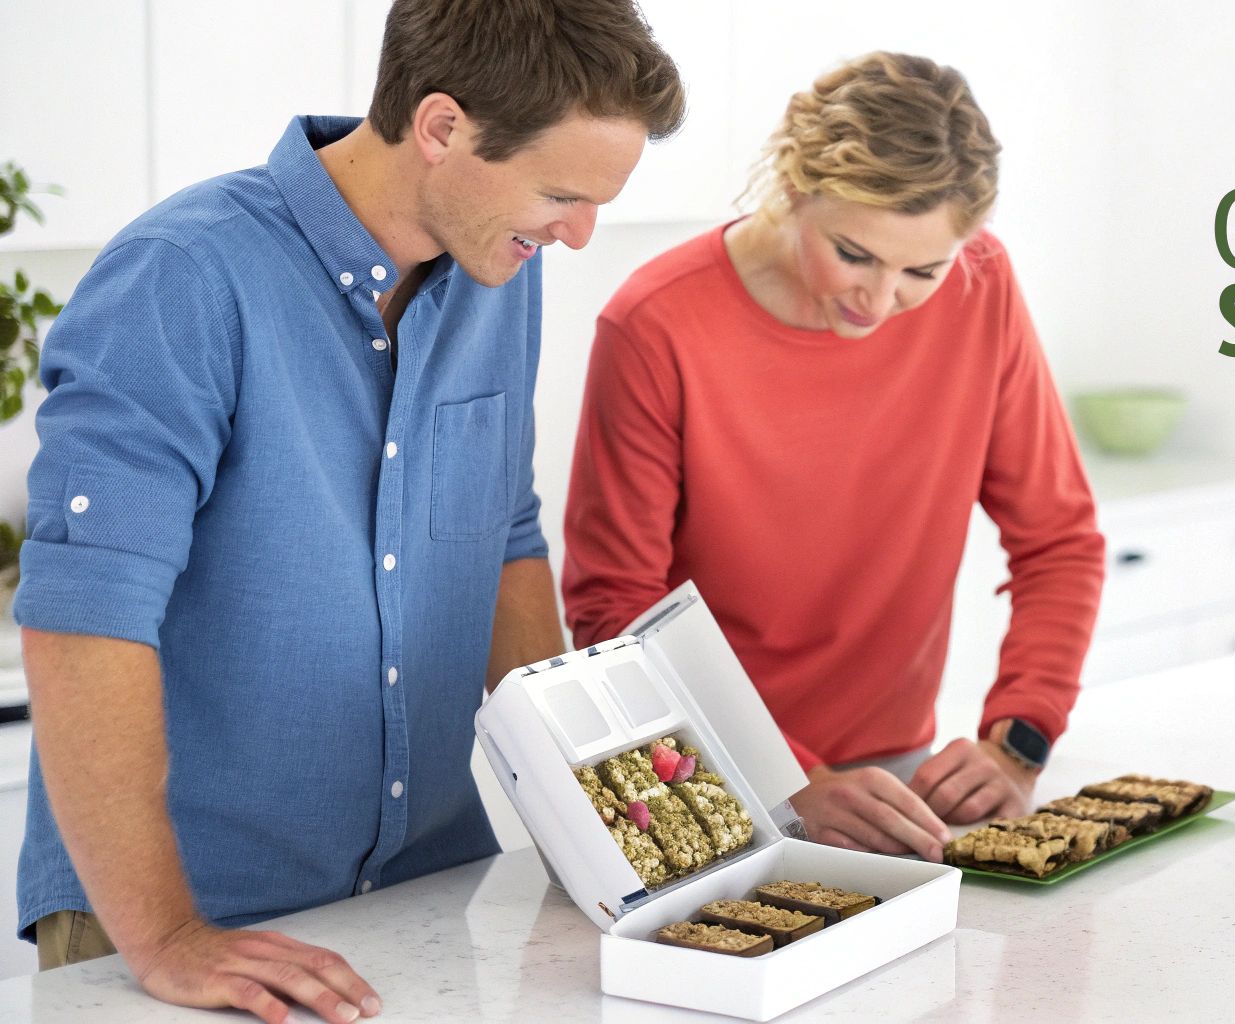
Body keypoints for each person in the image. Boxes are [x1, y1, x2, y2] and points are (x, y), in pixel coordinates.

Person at [13, 2, 681, 1020]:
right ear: (442, 127)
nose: (578, 234)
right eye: (559, 193)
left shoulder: (501, 268)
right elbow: (83, 618)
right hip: (192, 922)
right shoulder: (181, 279)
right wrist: (166, 934)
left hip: (420, 896)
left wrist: (600, 826)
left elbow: (502, 537)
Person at [562, 52, 1105, 863]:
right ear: (793, 186)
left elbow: (1059, 541)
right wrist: (786, 780)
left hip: (888, 781)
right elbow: (617, 612)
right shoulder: (656, 325)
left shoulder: (982, 290)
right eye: (854, 253)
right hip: (695, 776)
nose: (881, 302)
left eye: (922, 269)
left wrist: (1020, 741)